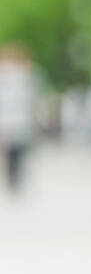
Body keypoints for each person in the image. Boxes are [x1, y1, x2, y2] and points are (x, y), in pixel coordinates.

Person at [0, 43, 40, 191]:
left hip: (20, 122)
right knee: (9, 153)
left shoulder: (26, 78)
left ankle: (16, 180)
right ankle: (12, 181)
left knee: (18, 152)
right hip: (7, 122)